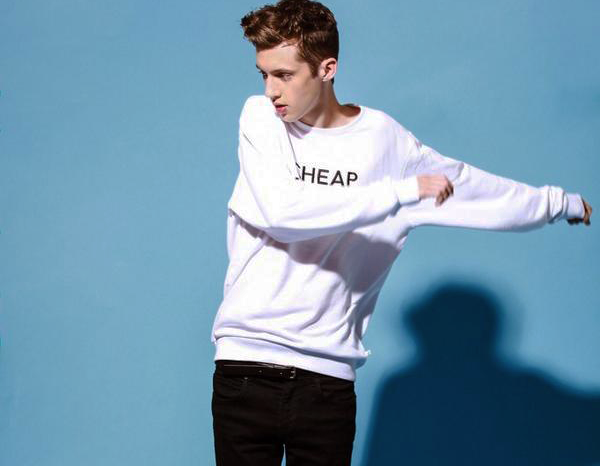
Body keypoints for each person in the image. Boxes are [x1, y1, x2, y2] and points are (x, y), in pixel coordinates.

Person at [209, 0, 593, 465]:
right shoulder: (261, 120)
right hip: (245, 369)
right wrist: (399, 193)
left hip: (326, 379)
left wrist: (557, 204)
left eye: (284, 75)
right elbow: (281, 211)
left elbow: (472, 189)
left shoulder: (385, 142)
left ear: (327, 69)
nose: (271, 90)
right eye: (264, 74)